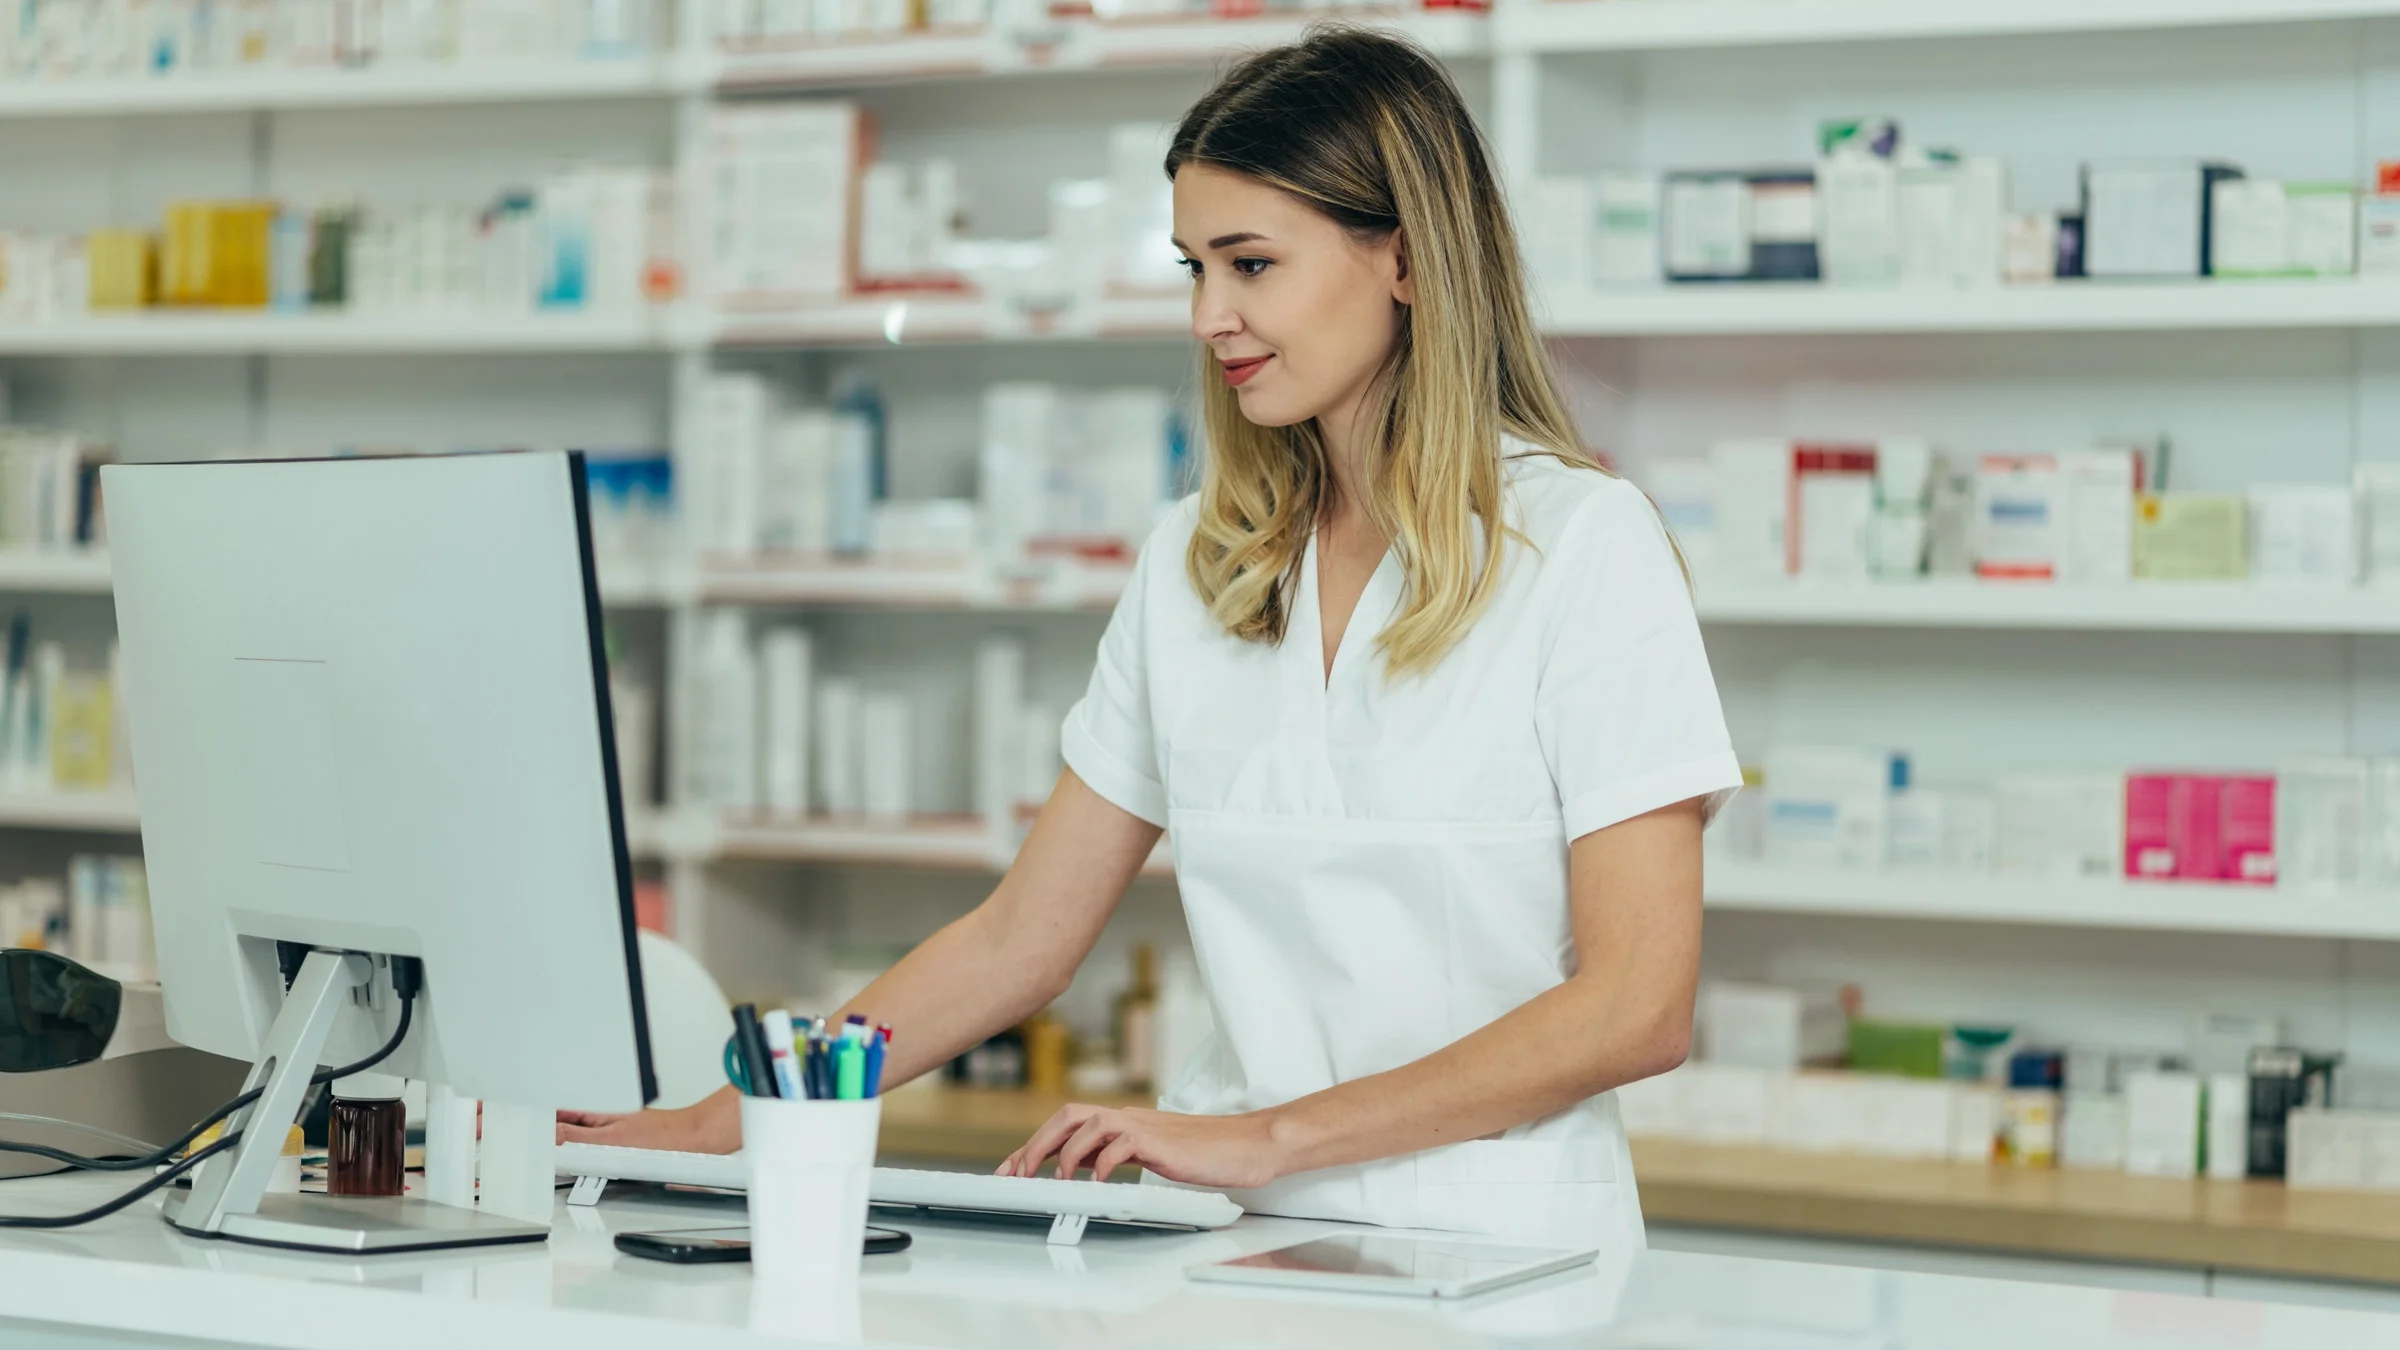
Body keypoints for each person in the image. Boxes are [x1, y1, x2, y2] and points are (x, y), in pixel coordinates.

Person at [561, 25, 1740, 1250]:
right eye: (1193, 269)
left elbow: (1636, 1007)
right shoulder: (1202, 562)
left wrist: (1269, 1135)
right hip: (1228, 1239)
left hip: (1501, 1255)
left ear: (1404, 257)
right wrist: (724, 1120)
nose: (1208, 318)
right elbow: (1021, 939)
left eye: (1250, 264)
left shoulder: (1581, 546)